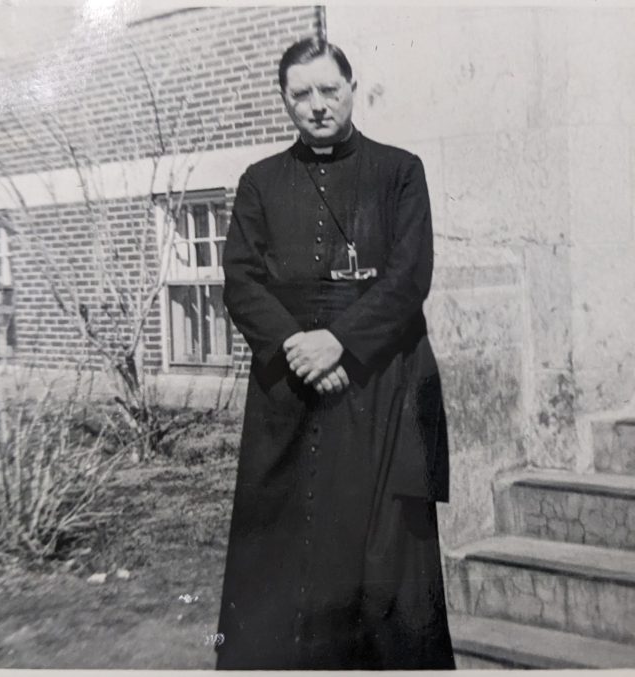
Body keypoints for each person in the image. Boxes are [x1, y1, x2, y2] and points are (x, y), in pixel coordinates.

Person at [214, 36, 455, 670]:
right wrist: (297, 346)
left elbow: (409, 277)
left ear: (351, 88)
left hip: (378, 391)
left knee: (385, 570)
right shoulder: (259, 182)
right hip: (289, 393)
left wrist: (339, 341)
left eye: (329, 89)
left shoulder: (400, 172)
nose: (317, 105)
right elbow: (240, 278)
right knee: (284, 562)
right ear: (285, 101)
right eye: (301, 94)